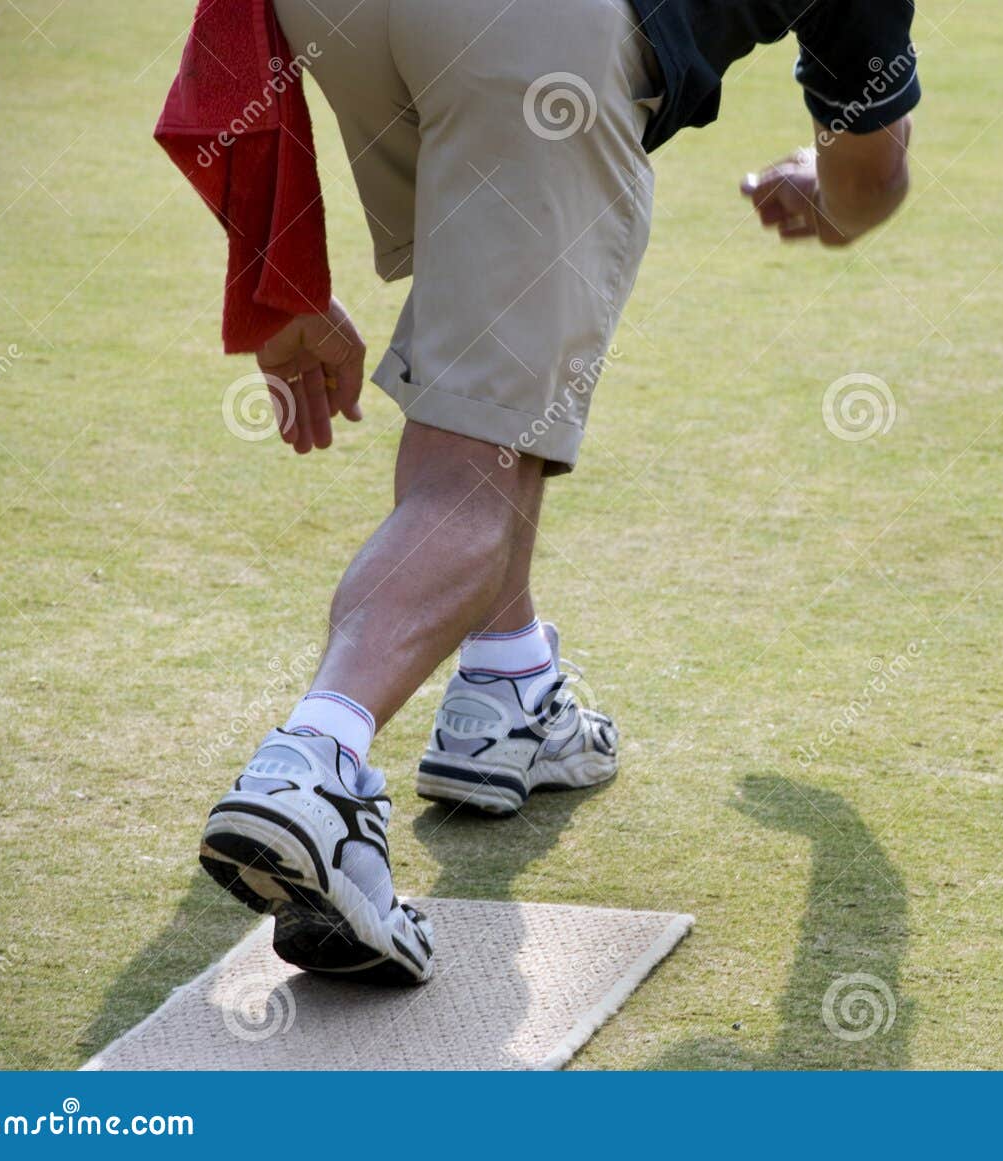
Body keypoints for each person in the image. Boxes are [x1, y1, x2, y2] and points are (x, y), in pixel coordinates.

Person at [196, 0, 919, 983]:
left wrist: (271, 271)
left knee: (487, 372)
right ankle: (313, 764)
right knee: (472, 474)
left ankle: (508, 688)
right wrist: (827, 202)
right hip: (534, 38)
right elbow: (867, 172)